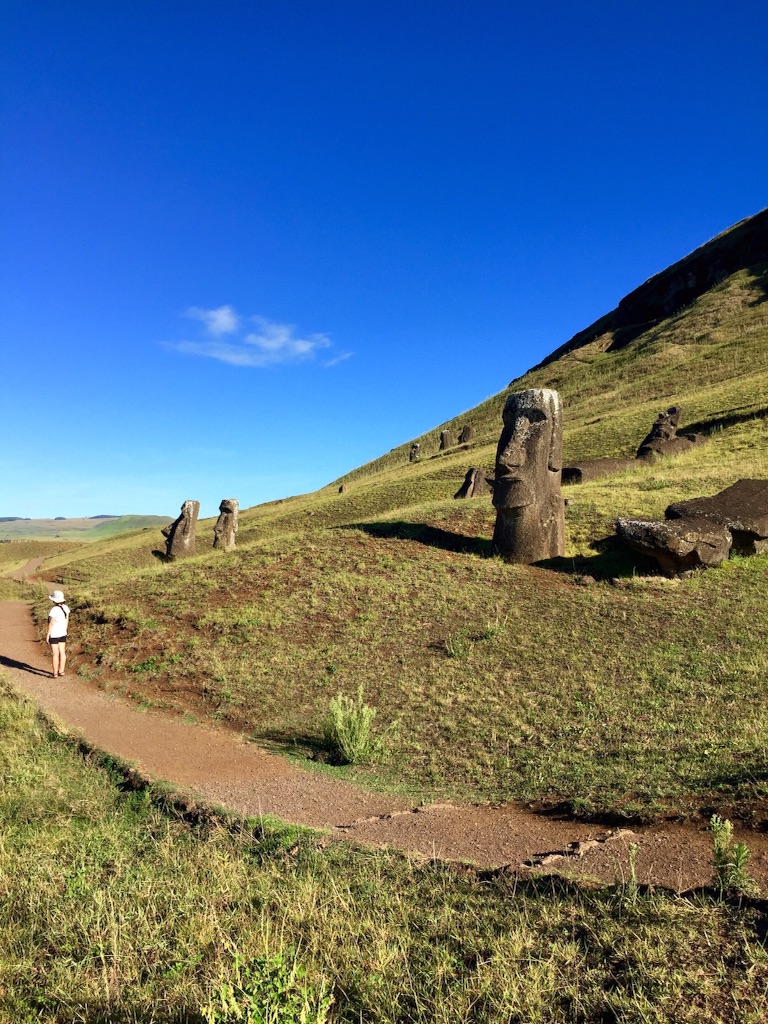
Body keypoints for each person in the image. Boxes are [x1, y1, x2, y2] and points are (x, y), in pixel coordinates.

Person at [46, 589, 70, 678]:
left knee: (55, 654)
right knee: (62, 652)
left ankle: (55, 673)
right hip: (63, 633)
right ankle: (62, 671)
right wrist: (65, 630)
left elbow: (51, 623)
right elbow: (67, 620)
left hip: (54, 634)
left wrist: (48, 634)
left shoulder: (54, 610)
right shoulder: (66, 608)